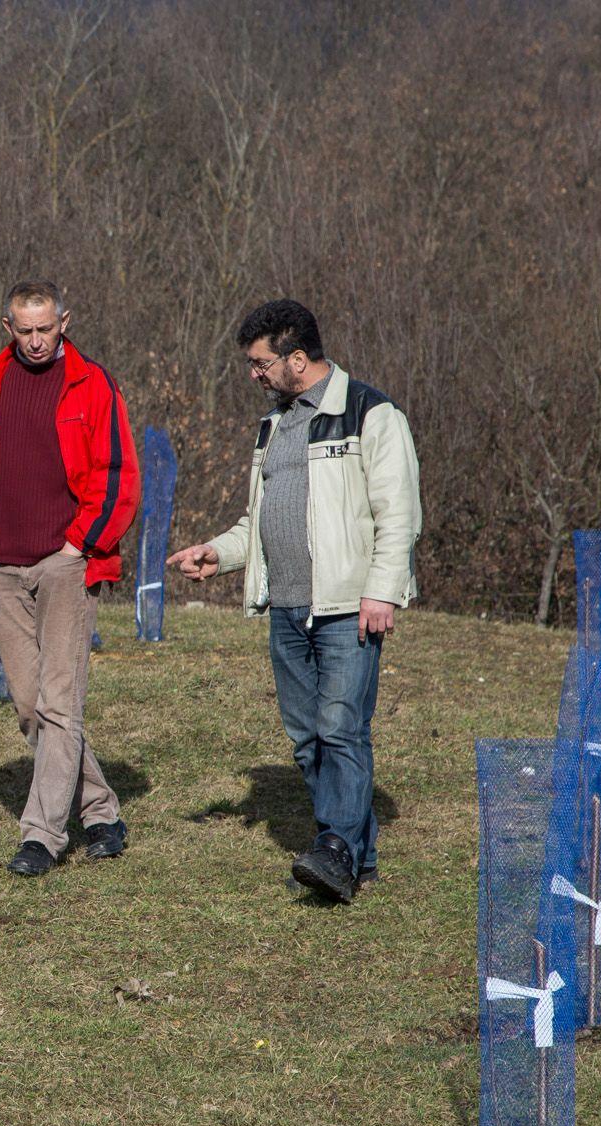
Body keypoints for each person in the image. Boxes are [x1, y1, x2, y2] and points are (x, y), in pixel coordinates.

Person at [167, 299, 422, 902]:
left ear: (297, 358)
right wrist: (219, 553)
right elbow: (261, 517)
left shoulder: (372, 414)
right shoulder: (275, 425)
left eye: (260, 364)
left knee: (340, 730)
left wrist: (381, 592)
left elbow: (400, 513)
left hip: (345, 608)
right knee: (308, 738)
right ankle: (356, 856)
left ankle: (334, 848)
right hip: (286, 607)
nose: (253, 375)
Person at [0, 280, 141, 877]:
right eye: (24, 330)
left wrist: (77, 547)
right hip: (0, 563)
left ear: (64, 321)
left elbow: (117, 475)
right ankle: (102, 811)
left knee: (60, 702)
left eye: (46, 328)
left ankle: (43, 834)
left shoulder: (93, 383)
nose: (36, 341)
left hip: (65, 563)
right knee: (30, 705)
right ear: (7, 328)